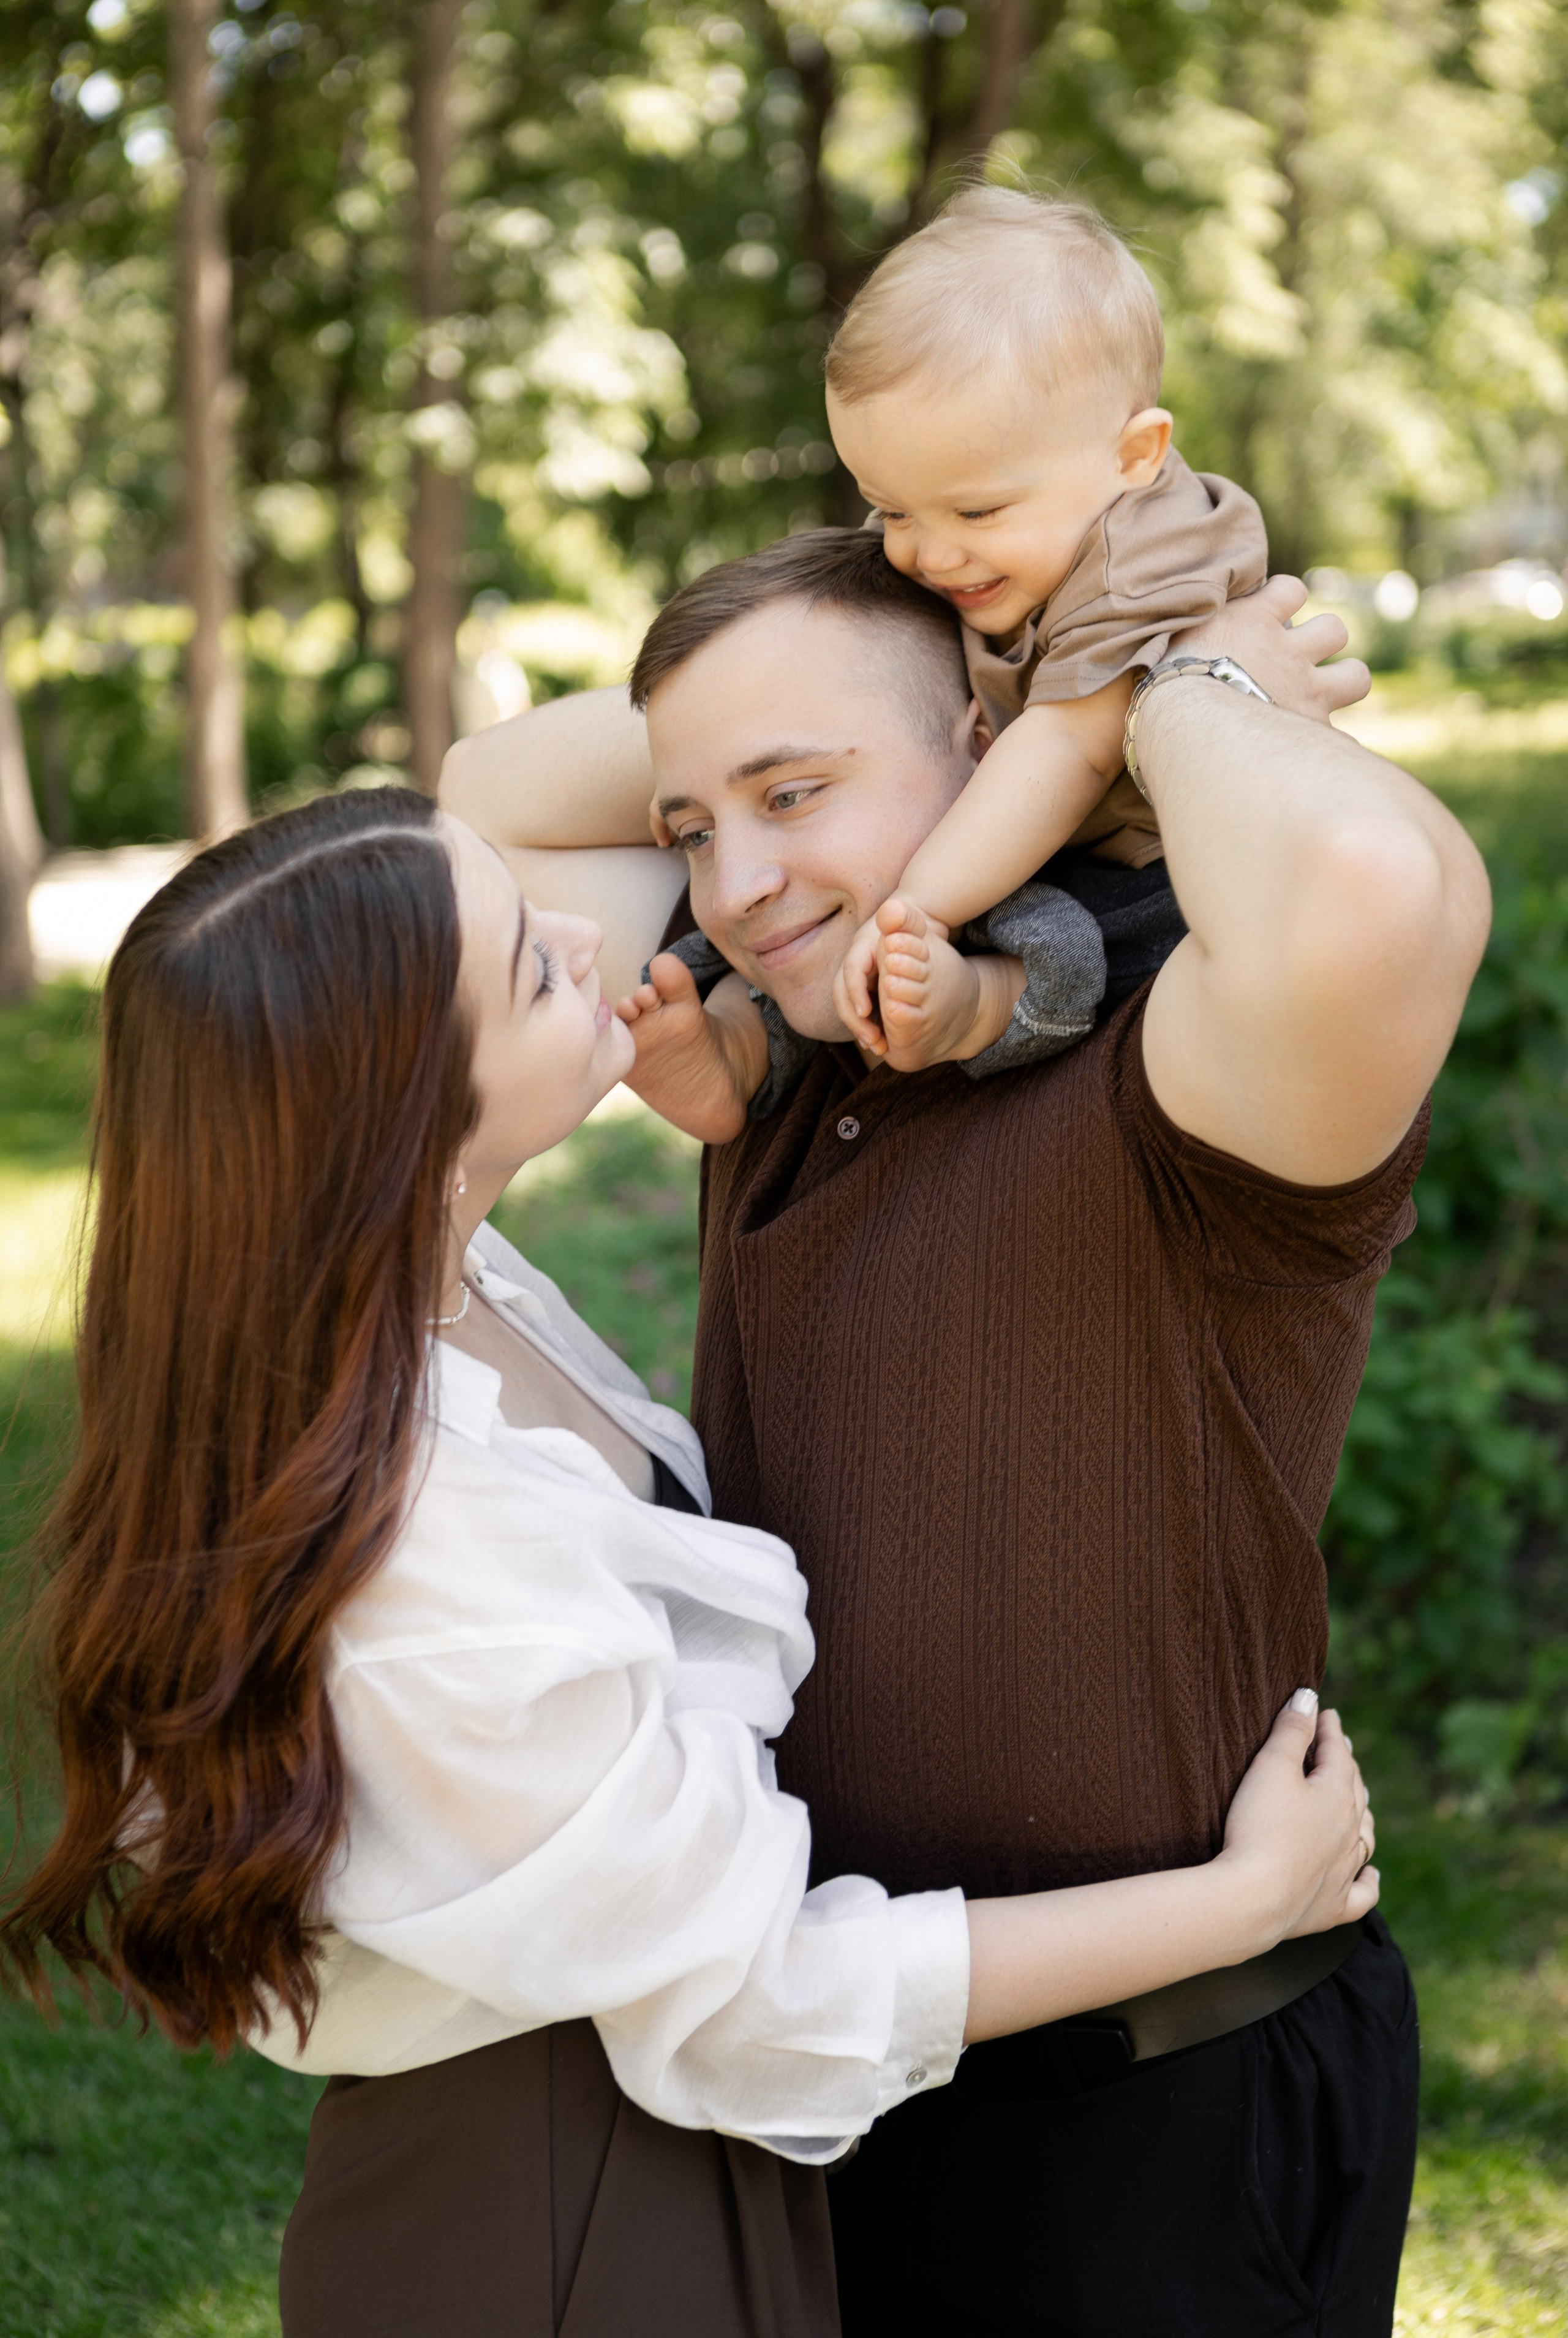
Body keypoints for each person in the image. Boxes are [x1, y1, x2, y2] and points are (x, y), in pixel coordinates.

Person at [0, 786, 1378, 2338]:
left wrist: (1046, 677)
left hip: (634, 2123)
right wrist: (1244, 1901)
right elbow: (759, 2001)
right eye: (527, 965)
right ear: (402, 1118)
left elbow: (567, 758)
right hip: (558, 2202)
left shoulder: (426, 1293)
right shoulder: (429, 1551)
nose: (590, 935)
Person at [441, 536, 1491, 2334]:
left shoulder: (1188, 1070)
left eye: (795, 793)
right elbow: (488, 806)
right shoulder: (782, 1049)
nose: (743, 883)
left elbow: (1366, 872)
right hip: (824, 2057)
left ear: (997, 763)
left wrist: (1131, 695)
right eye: (697, 826)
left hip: (1157, 2105)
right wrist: (969, 699)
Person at [614, 187, 1269, 1135]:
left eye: (973, 513)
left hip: (1148, 886)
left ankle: (974, 1011)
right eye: (893, 509)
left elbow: (1067, 752)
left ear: (1135, 455)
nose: (927, 554)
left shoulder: (1140, 556)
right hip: (1023, 837)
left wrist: (912, 906)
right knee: (783, 920)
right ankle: (739, 1051)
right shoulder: (1015, 531)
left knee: (1013, 945)